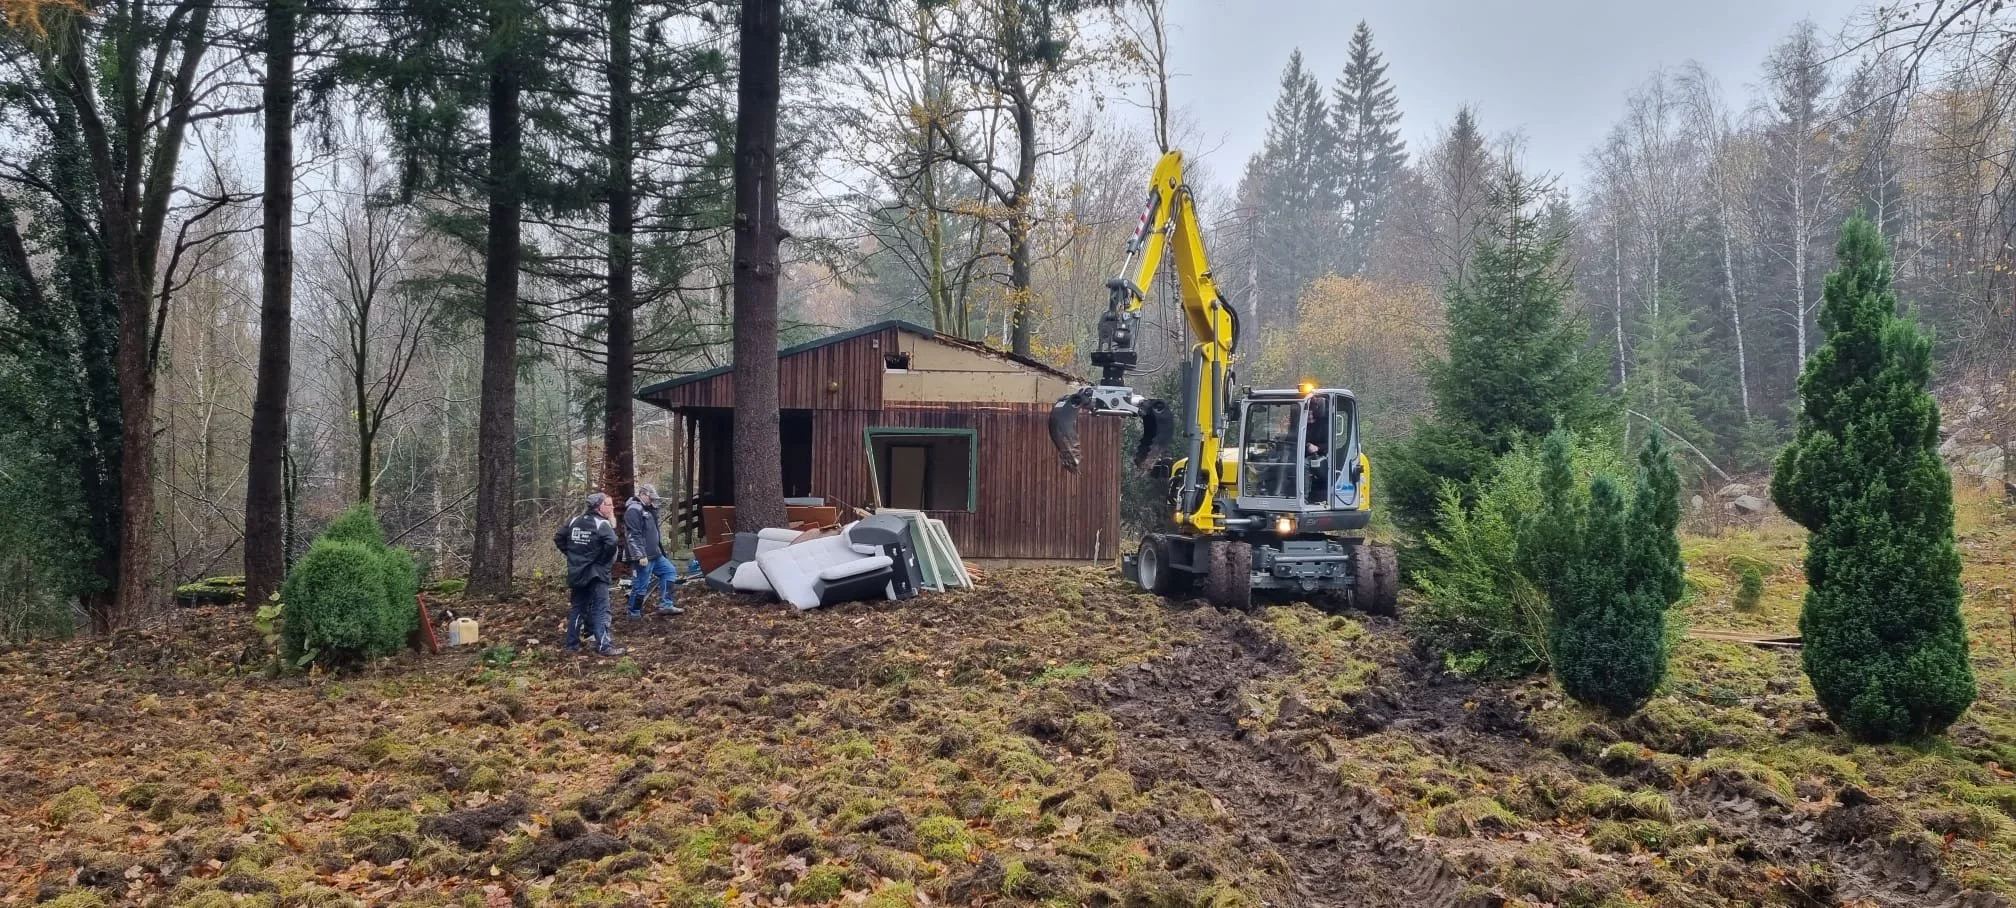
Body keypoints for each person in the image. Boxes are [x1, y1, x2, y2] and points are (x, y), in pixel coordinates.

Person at [554, 492, 627, 657]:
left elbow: (559, 538)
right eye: (608, 504)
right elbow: (612, 542)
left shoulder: (574, 521)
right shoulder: (601, 524)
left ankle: (571, 645)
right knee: (601, 609)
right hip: (596, 574)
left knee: (578, 608)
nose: (611, 508)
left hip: (577, 572)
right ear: (599, 506)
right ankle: (604, 646)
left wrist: (572, 554)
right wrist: (602, 561)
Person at [624, 484, 684, 617]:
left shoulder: (649, 509)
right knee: (641, 585)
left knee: (669, 571)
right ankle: (633, 613)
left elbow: (654, 533)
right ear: (643, 495)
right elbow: (633, 535)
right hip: (643, 556)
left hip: (654, 554)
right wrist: (640, 555)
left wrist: (660, 551)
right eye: (651, 498)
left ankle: (666, 605)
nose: (653, 501)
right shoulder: (634, 510)